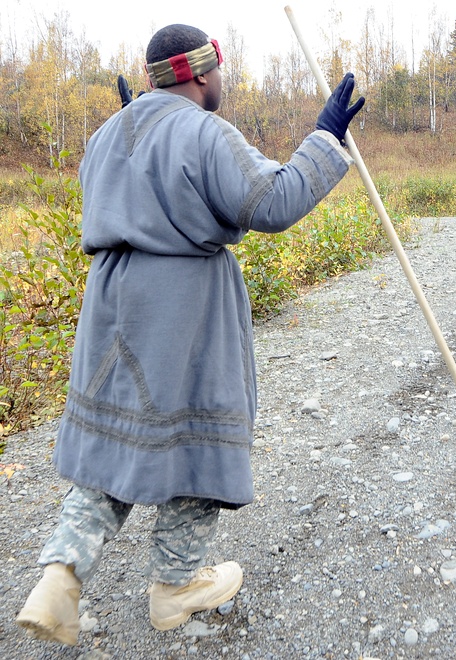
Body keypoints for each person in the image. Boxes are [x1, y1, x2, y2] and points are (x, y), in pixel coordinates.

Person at [15, 24, 363, 645]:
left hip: (111, 303)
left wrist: (137, 128)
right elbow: (271, 203)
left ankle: (59, 578)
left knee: (112, 447)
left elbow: (130, 197)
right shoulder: (204, 130)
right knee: (195, 440)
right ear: (203, 73)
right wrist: (325, 138)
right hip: (181, 308)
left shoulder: (103, 136)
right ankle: (174, 589)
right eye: (219, 72)